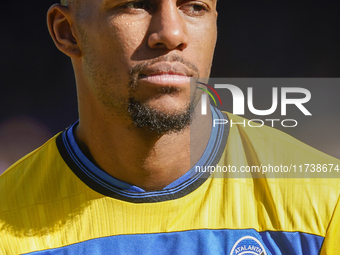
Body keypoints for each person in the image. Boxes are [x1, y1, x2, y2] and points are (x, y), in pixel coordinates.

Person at [1, 0, 340, 254]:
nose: (172, 34)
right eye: (135, 5)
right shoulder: (7, 222)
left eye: (194, 6)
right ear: (68, 31)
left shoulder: (325, 204)